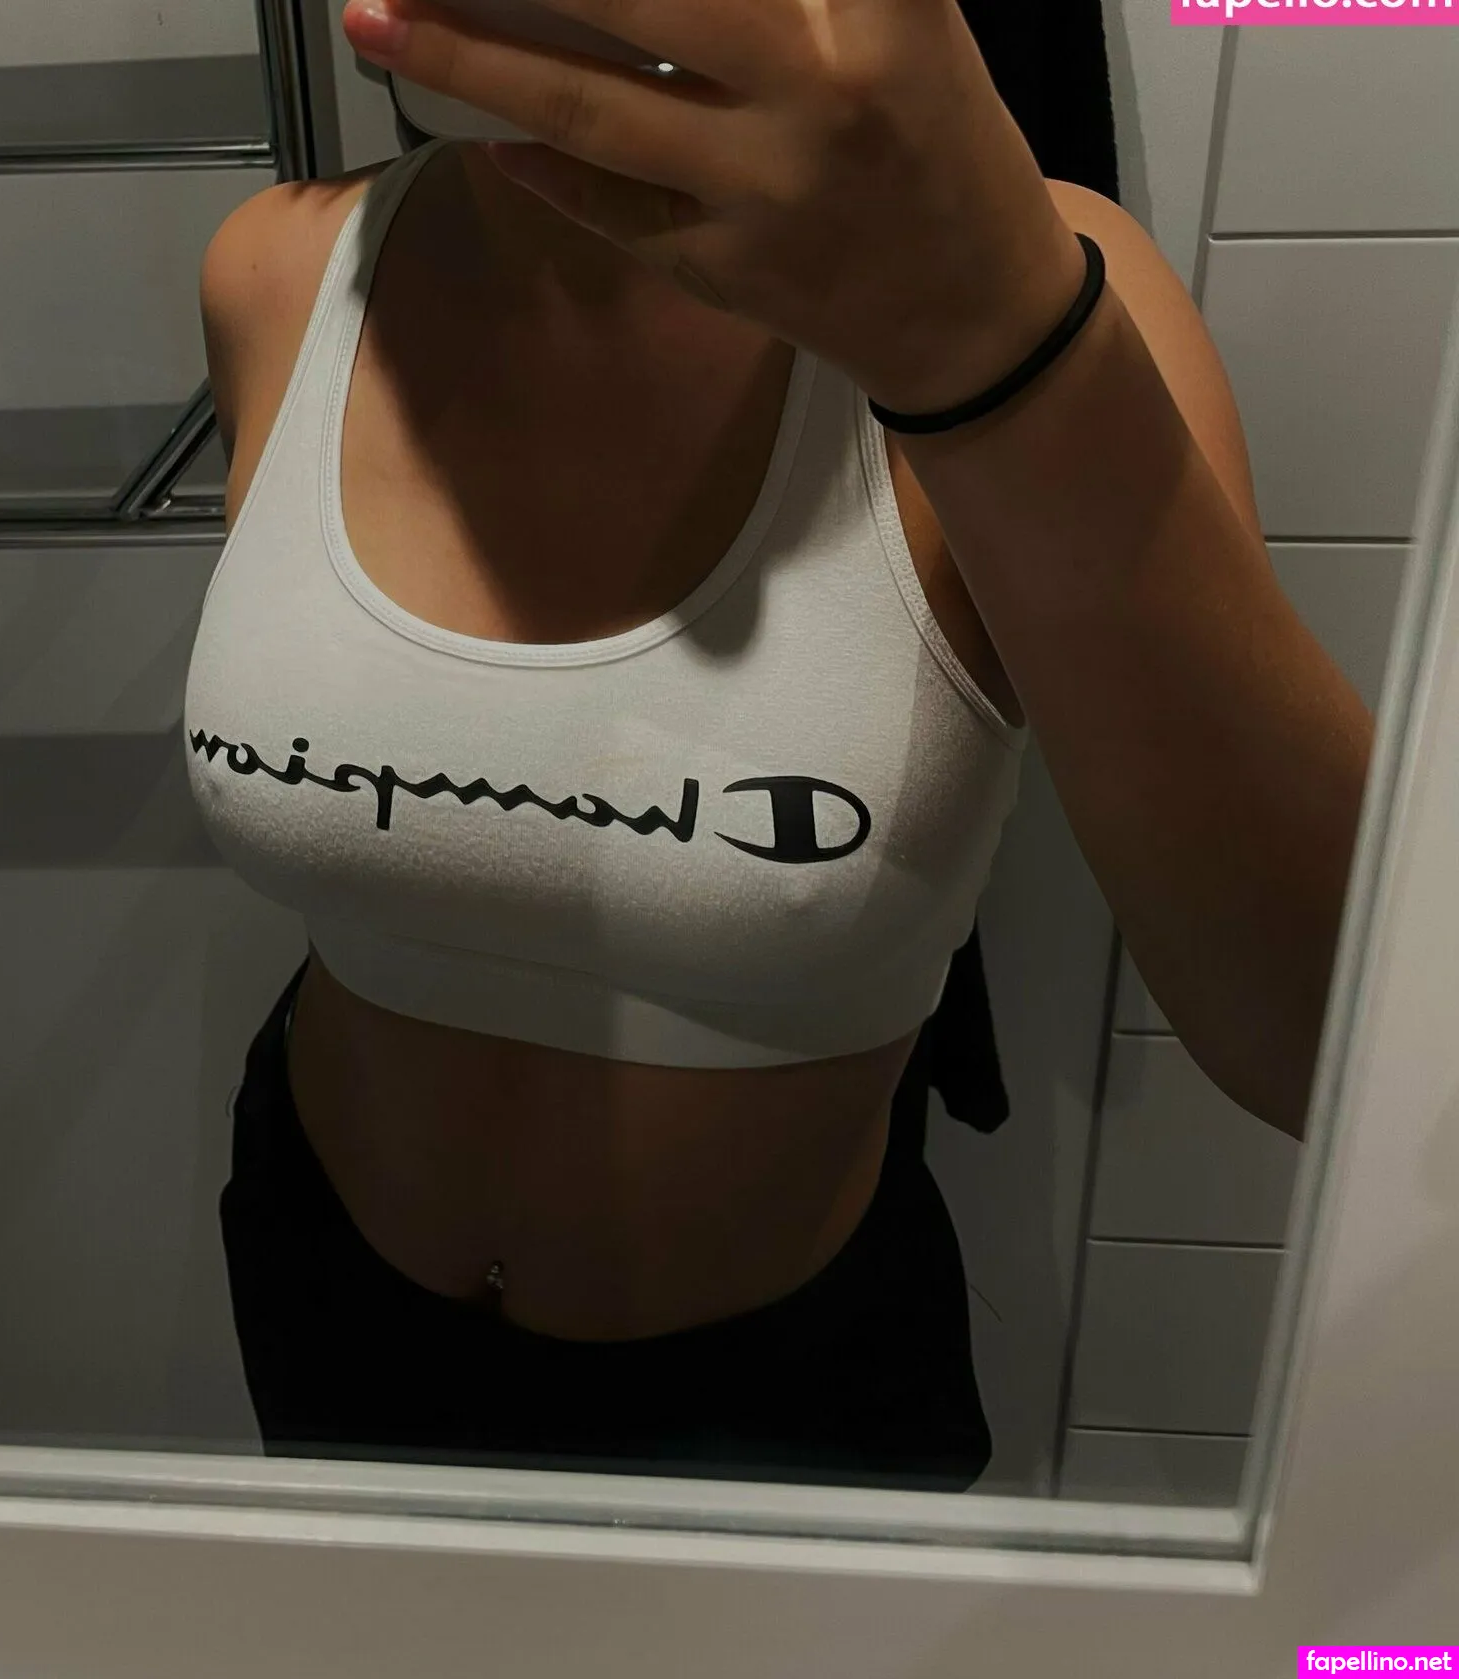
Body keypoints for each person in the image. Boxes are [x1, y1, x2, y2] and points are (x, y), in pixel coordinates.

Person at [186, 0, 1374, 1487]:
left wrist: (992, 333)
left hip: (785, 1394)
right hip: (322, 1288)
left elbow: (1325, 1040)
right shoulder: (276, 271)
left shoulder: (1041, 281)